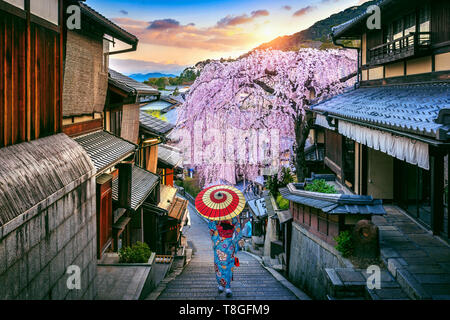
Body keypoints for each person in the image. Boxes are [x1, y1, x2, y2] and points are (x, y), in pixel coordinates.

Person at [208, 216, 244, 297]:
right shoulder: (232, 217)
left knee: (224, 266)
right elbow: (238, 233)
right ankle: (224, 285)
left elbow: (212, 231)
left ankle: (225, 286)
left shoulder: (217, 216)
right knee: (223, 265)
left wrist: (216, 238)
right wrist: (234, 242)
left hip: (222, 244)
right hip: (226, 245)